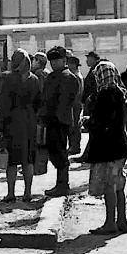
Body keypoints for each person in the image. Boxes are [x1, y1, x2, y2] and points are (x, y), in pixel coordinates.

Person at [85, 60, 127, 235]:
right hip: (120, 145)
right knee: (119, 184)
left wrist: (88, 122)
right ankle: (122, 221)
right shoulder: (121, 92)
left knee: (109, 186)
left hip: (108, 146)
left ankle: (110, 223)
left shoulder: (105, 94)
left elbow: (103, 121)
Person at [0, 49, 42, 203]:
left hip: (12, 121)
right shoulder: (34, 79)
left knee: (12, 160)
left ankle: (11, 193)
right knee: (28, 159)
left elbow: (3, 104)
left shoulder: (7, 79)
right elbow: (39, 103)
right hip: (29, 121)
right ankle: (27, 192)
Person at [41, 46, 80, 198]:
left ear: (64, 60)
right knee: (54, 152)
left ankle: (63, 184)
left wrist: (54, 116)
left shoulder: (67, 77)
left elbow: (65, 101)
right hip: (52, 120)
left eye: (56, 60)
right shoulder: (53, 76)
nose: (53, 63)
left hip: (60, 121)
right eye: (51, 61)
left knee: (60, 153)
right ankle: (60, 183)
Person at [66, 54, 84, 155]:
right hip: (76, 104)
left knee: (74, 127)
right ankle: (74, 146)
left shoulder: (76, 76)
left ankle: (74, 146)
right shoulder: (76, 75)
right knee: (74, 126)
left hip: (74, 104)